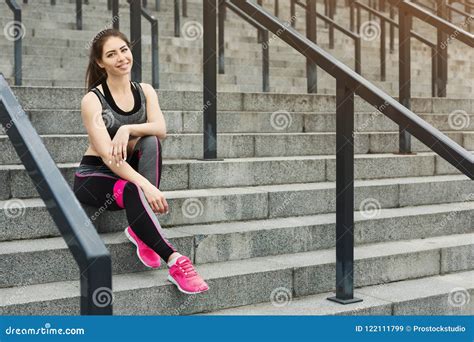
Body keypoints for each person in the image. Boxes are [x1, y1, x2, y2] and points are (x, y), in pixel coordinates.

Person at [73, 29, 209, 295]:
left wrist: (127, 129)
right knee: (134, 188)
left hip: (127, 174)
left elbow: (160, 128)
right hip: (95, 177)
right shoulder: (92, 100)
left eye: (124, 49)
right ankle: (175, 260)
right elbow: (109, 158)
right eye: (111, 54)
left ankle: (139, 229)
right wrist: (147, 186)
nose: (121, 58)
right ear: (100, 62)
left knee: (150, 142)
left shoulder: (145, 91)